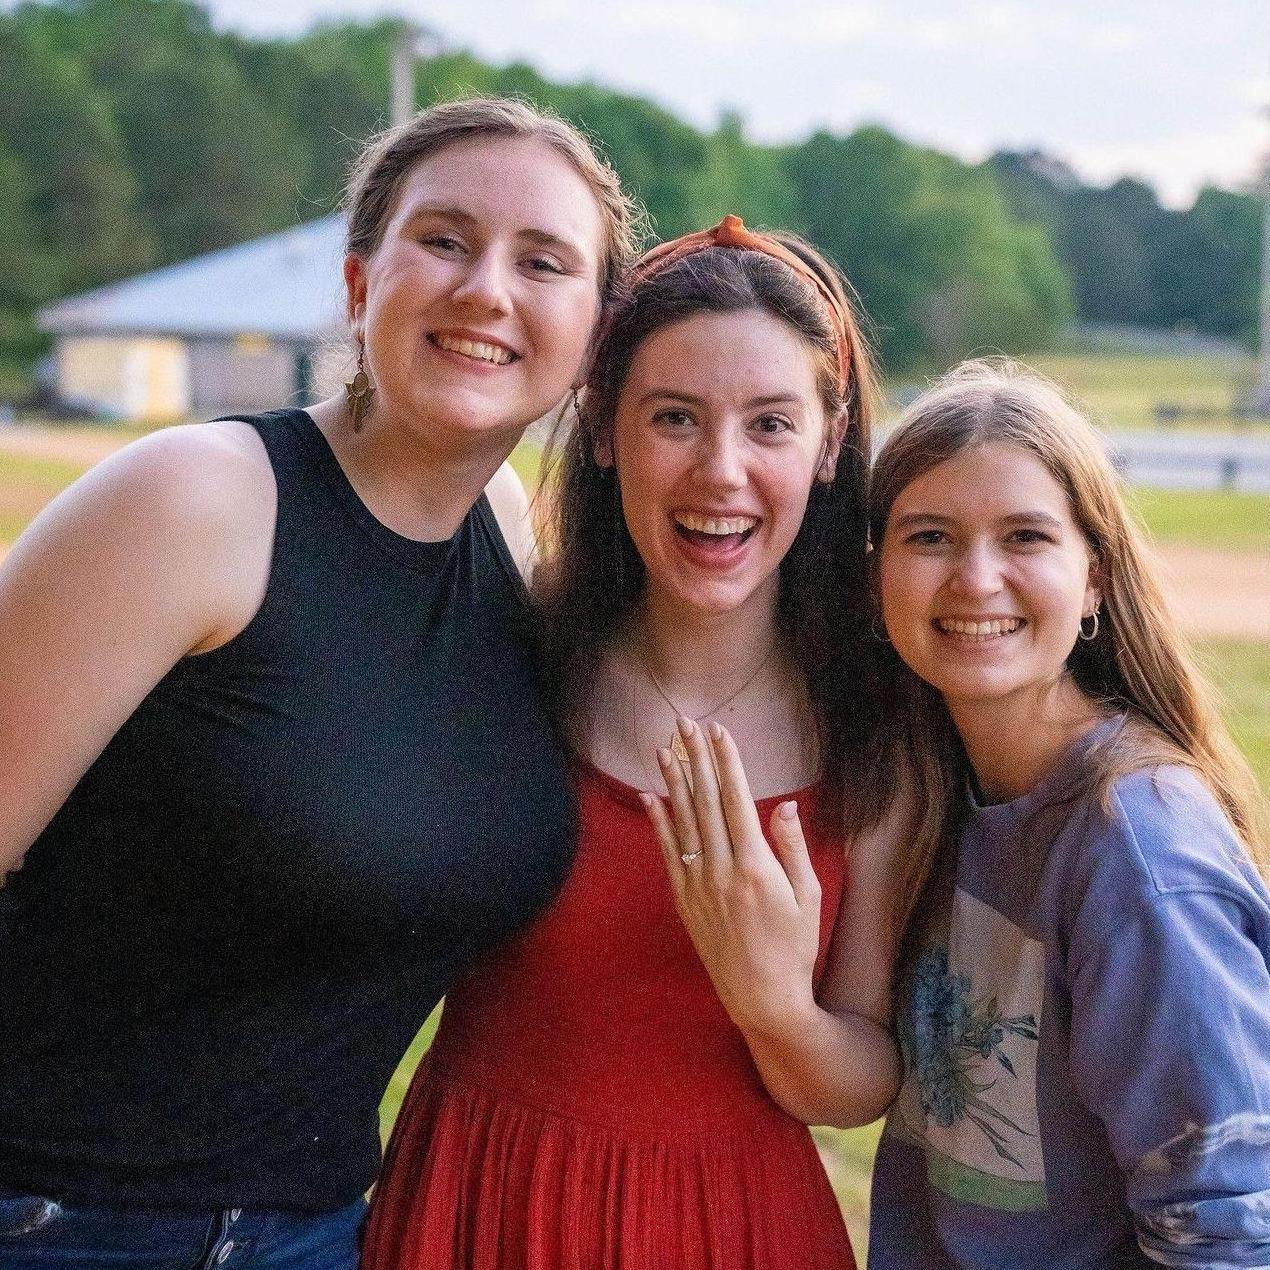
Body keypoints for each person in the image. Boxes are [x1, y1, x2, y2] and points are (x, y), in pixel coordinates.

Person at [0, 97, 641, 1267]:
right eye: (443, 240)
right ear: (358, 285)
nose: (487, 288)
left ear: (595, 336)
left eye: (542, 261)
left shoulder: (509, 547)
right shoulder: (196, 501)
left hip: (316, 1230)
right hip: (56, 1218)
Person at [362, 215, 904, 1270]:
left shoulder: (875, 722)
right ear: (604, 428)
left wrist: (773, 1007)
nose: (719, 470)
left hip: (729, 1225)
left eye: (770, 425)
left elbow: (859, 1082)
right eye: (674, 418)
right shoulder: (507, 656)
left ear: (828, 444)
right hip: (482, 1201)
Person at [864, 359, 1270, 1268]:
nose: (976, 579)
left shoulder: (1139, 857)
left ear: (1093, 581)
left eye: (1025, 538)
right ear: (876, 571)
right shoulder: (932, 794)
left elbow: (1230, 1231)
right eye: (929, 536)